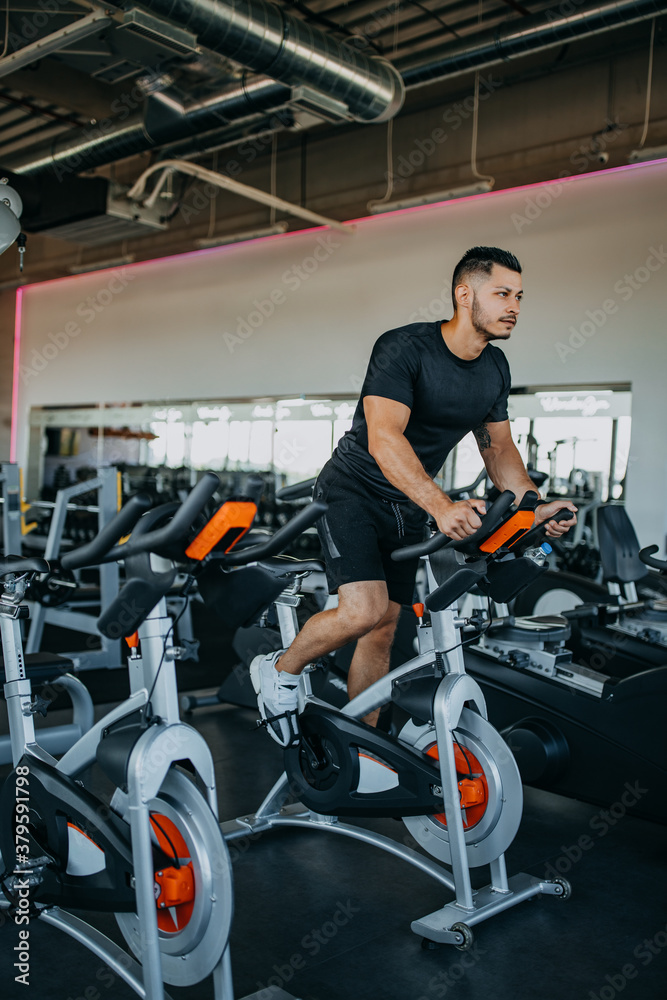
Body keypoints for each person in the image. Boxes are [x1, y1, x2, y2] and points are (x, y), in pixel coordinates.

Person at [251, 246, 577, 745]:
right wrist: (441, 506)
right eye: (502, 293)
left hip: (405, 503)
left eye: (519, 296)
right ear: (464, 294)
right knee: (362, 609)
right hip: (352, 490)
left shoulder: (495, 368)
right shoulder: (404, 348)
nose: (514, 305)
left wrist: (535, 506)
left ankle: (363, 743)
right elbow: (384, 438)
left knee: (384, 627)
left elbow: (499, 451)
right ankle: (280, 667)